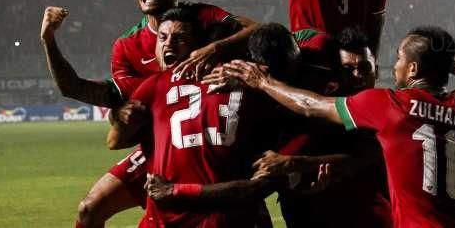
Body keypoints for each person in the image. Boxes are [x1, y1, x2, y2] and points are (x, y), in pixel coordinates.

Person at [205, 26, 455, 227]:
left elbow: (312, 106)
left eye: (401, 59)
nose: (397, 66)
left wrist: (261, 82)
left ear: (414, 71)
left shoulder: (390, 105)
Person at [40, 0, 258, 228]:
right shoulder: (127, 46)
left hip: (208, 141)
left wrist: (214, 49)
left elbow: (260, 31)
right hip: (158, 149)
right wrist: (49, 40)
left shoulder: (203, 17)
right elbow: (85, 92)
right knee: (89, 209)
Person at [147, 25, 391, 227]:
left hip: (366, 213)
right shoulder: (275, 109)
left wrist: (176, 192)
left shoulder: (368, 104)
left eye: (365, 68)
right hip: (308, 207)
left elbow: (356, 154)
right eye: (348, 69)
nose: (356, 76)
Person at [117, 9, 283, 228]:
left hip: (170, 212)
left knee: (91, 206)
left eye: (179, 38)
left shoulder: (157, 84)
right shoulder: (259, 87)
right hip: (227, 213)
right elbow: (258, 186)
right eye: (163, 38)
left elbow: (114, 141)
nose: (169, 45)